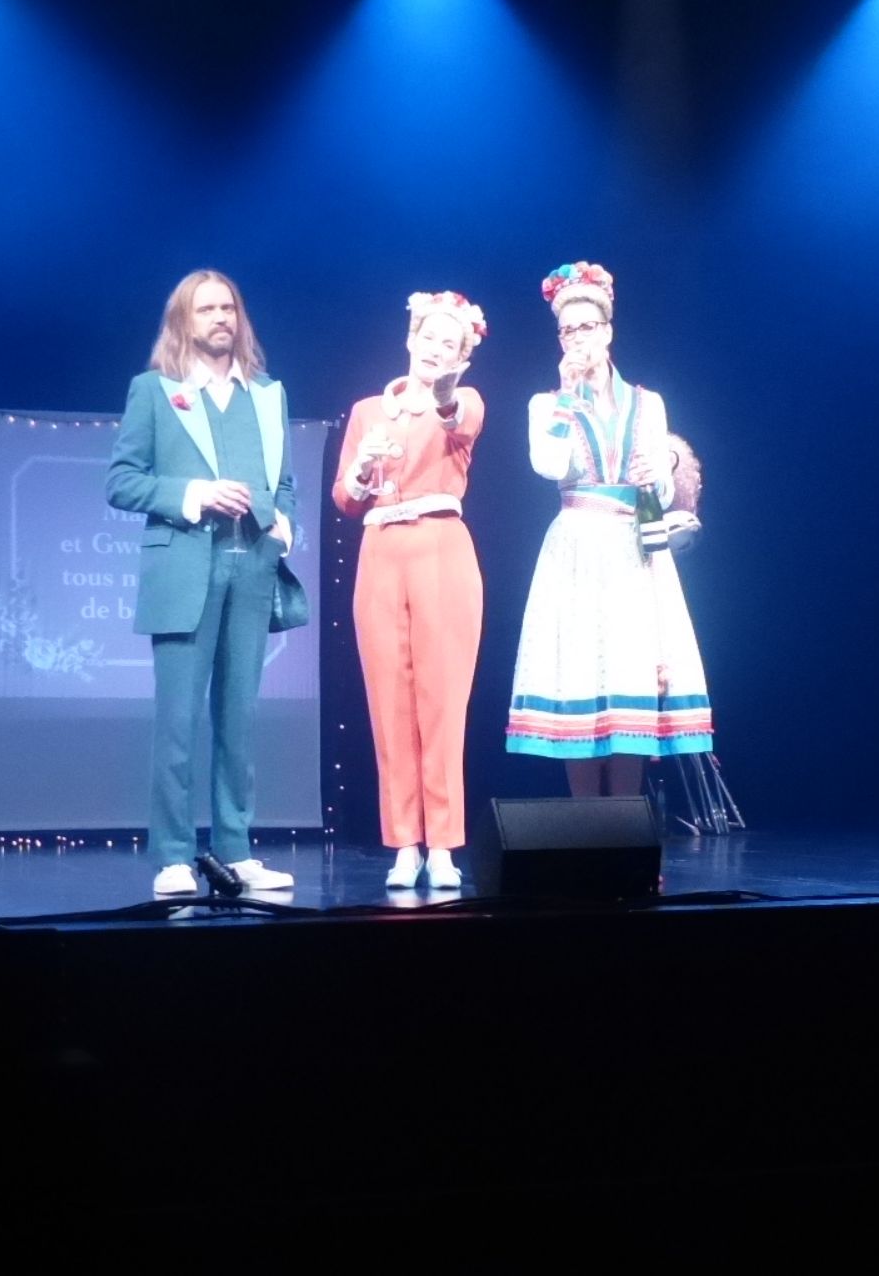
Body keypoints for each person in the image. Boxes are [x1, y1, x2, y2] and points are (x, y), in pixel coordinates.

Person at [106, 269, 299, 898]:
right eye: (206, 309)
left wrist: (284, 524)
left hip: (252, 570)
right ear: (183, 321)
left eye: (228, 308)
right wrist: (195, 493)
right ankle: (173, 856)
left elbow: (283, 481)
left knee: (239, 721)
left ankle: (236, 851)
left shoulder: (266, 394)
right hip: (185, 568)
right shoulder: (156, 391)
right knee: (178, 723)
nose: (220, 318)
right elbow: (122, 481)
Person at [506, 261, 712, 796]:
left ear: (607, 331)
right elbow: (548, 465)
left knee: (629, 675)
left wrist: (655, 475)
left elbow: (660, 496)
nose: (577, 338)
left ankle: (626, 813)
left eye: (586, 327)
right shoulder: (546, 404)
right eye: (566, 330)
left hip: (631, 547)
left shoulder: (648, 403)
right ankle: (586, 818)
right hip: (577, 543)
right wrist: (567, 395)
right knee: (580, 674)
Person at [333, 292, 488, 890]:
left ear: (462, 357)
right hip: (380, 552)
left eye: (450, 344)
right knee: (389, 704)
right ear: (410, 339)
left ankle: (443, 844)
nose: (436, 349)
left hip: (441, 548)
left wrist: (446, 394)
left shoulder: (465, 400)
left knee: (442, 702)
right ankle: (404, 843)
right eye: (429, 338)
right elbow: (345, 500)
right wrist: (361, 469)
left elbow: (458, 420)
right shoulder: (368, 410)